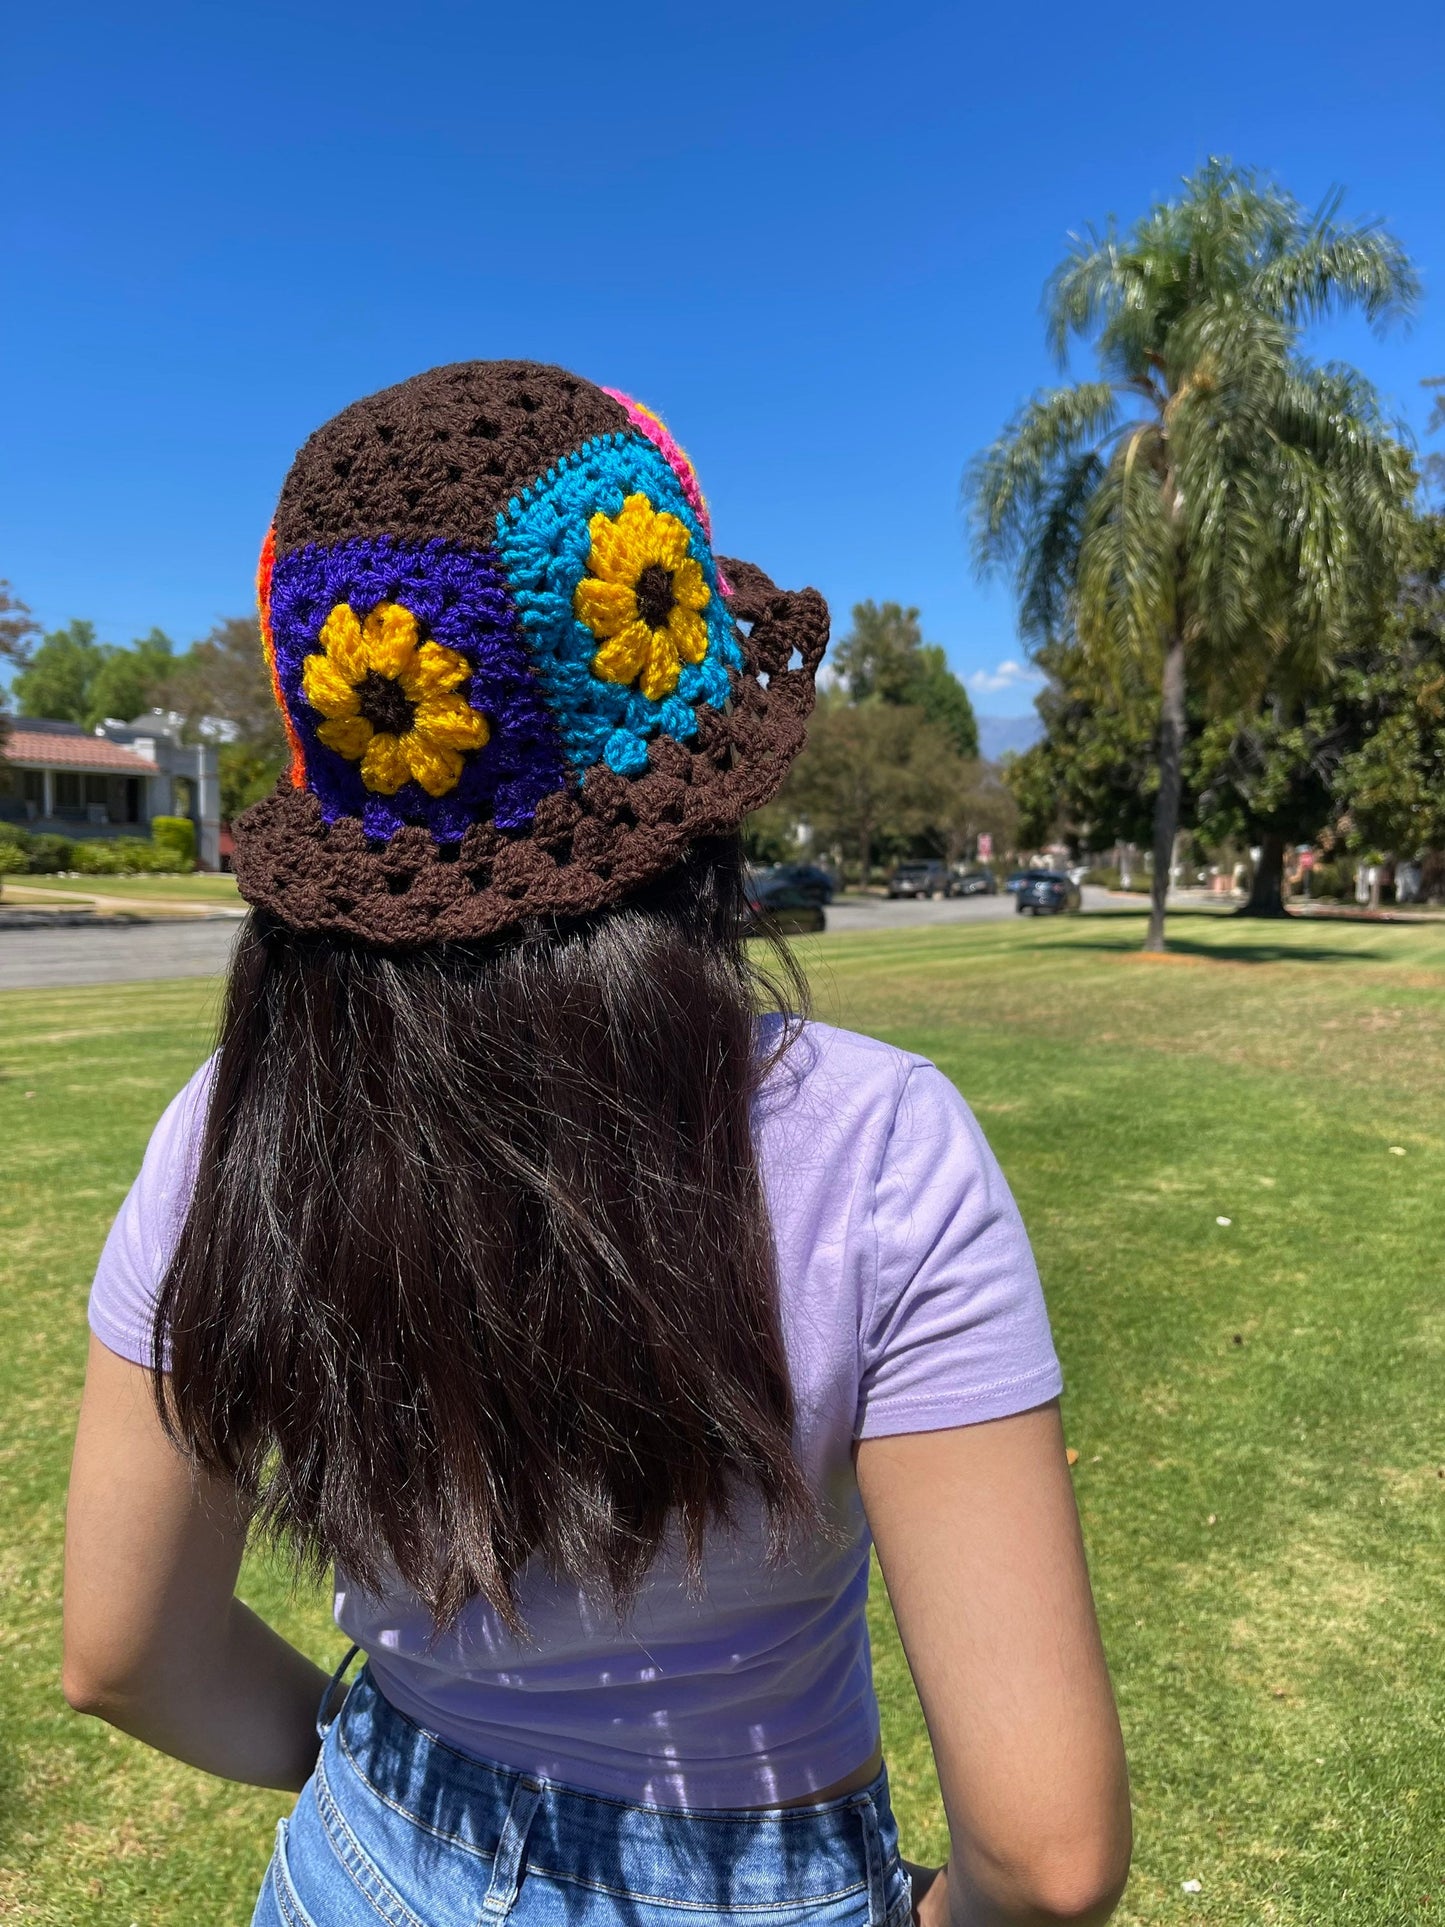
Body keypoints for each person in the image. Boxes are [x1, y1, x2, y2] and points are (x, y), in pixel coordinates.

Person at [64, 362, 1131, 1927]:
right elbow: (1044, 1858)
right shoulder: (882, 1145)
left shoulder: (234, 1130)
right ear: (688, 729)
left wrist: (383, 1791)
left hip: (359, 1858)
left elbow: (124, 1653)